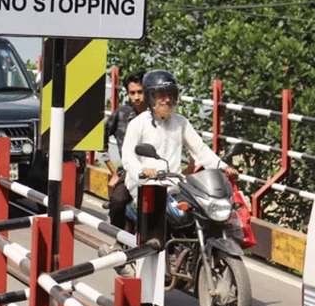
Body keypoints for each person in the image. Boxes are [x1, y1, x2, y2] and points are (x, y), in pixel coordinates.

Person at [122, 70, 239, 210]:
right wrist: (143, 170)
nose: (167, 99)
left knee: (198, 212)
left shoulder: (181, 122)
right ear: (150, 97)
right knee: (154, 220)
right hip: (145, 185)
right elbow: (128, 157)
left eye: (170, 94)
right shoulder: (138, 123)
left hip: (175, 184)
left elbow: (199, 148)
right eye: (161, 95)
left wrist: (222, 166)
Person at [96, 69, 146, 230]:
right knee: (117, 202)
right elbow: (99, 142)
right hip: (128, 172)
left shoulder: (158, 114)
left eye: (140, 92)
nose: (137, 97)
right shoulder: (121, 115)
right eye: (132, 93)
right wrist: (114, 173)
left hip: (155, 171)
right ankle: (117, 240)